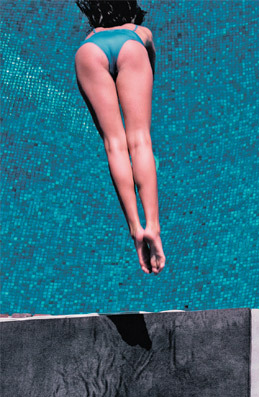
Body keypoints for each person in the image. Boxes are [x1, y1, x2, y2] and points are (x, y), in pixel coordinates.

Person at [75, 0, 165, 274]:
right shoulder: (142, 32)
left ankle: (135, 228)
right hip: (132, 48)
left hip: (89, 54)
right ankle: (152, 226)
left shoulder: (89, 37)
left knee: (114, 144)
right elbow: (151, 67)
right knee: (140, 140)